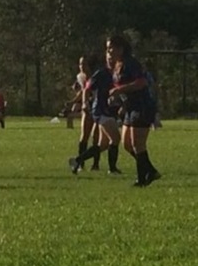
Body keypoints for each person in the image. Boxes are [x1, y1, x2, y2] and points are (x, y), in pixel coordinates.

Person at [106, 35, 161, 187]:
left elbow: (141, 82)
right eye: (107, 47)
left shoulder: (131, 63)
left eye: (111, 47)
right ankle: (150, 171)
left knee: (138, 144)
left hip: (142, 106)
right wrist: (120, 101)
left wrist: (119, 90)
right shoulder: (117, 65)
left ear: (120, 48)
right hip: (130, 108)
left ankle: (142, 179)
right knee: (127, 144)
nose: (109, 51)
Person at [68, 53, 121, 174]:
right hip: (101, 110)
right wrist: (85, 103)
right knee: (115, 138)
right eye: (110, 59)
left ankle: (76, 161)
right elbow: (87, 88)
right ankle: (112, 169)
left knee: (103, 144)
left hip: (108, 110)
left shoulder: (117, 73)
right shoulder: (101, 73)